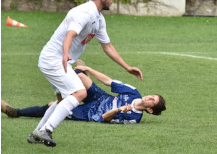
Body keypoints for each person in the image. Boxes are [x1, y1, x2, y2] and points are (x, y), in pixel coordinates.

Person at [29, 0, 143, 147]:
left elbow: (107, 46)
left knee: (63, 101)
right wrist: (66, 54)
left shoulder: (99, 18)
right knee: (80, 93)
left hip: (59, 61)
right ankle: (46, 130)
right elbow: (70, 34)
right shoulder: (85, 13)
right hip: (54, 60)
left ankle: (35, 134)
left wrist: (127, 67)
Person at [3, 64, 165, 125]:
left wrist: (119, 110)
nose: (149, 97)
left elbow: (104, 118)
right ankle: (67, 93)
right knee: (79, 74)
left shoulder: (133, 118)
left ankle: (15, 112)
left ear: (150, 110)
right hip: (100, 97)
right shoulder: (133, 92)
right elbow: (109, 82)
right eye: (152, 95)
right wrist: (89, 69)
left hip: (93, 113)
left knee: (55, 107)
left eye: (152, 100)